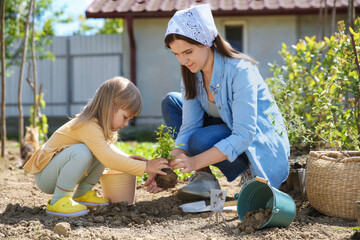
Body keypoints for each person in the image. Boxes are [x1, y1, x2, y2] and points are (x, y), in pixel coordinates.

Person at [146, 4, 290, 199]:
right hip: (223, 130)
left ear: (206, 42)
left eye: (188, 52)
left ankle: (248, 173)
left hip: (254, 143)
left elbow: (244, 134)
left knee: (198, 140)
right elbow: (189, 124)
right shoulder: (192, 73)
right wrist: (177, 155)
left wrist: (194, 161)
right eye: (177, 54)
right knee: (171, 102)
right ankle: (205, 179)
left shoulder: (240, 71)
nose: (183, 61)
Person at [24, 76, 169, 217]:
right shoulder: (87, 124)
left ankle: (82, 194)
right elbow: (109, 158)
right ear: (110, 106)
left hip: (56, 172)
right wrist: (146, 167)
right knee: (83, 152)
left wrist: (128, 159)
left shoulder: (96, 128)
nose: (126, 124)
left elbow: (107, 150)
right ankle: (58, 200)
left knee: (96, 153)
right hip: (45, 175)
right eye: (125, 117)